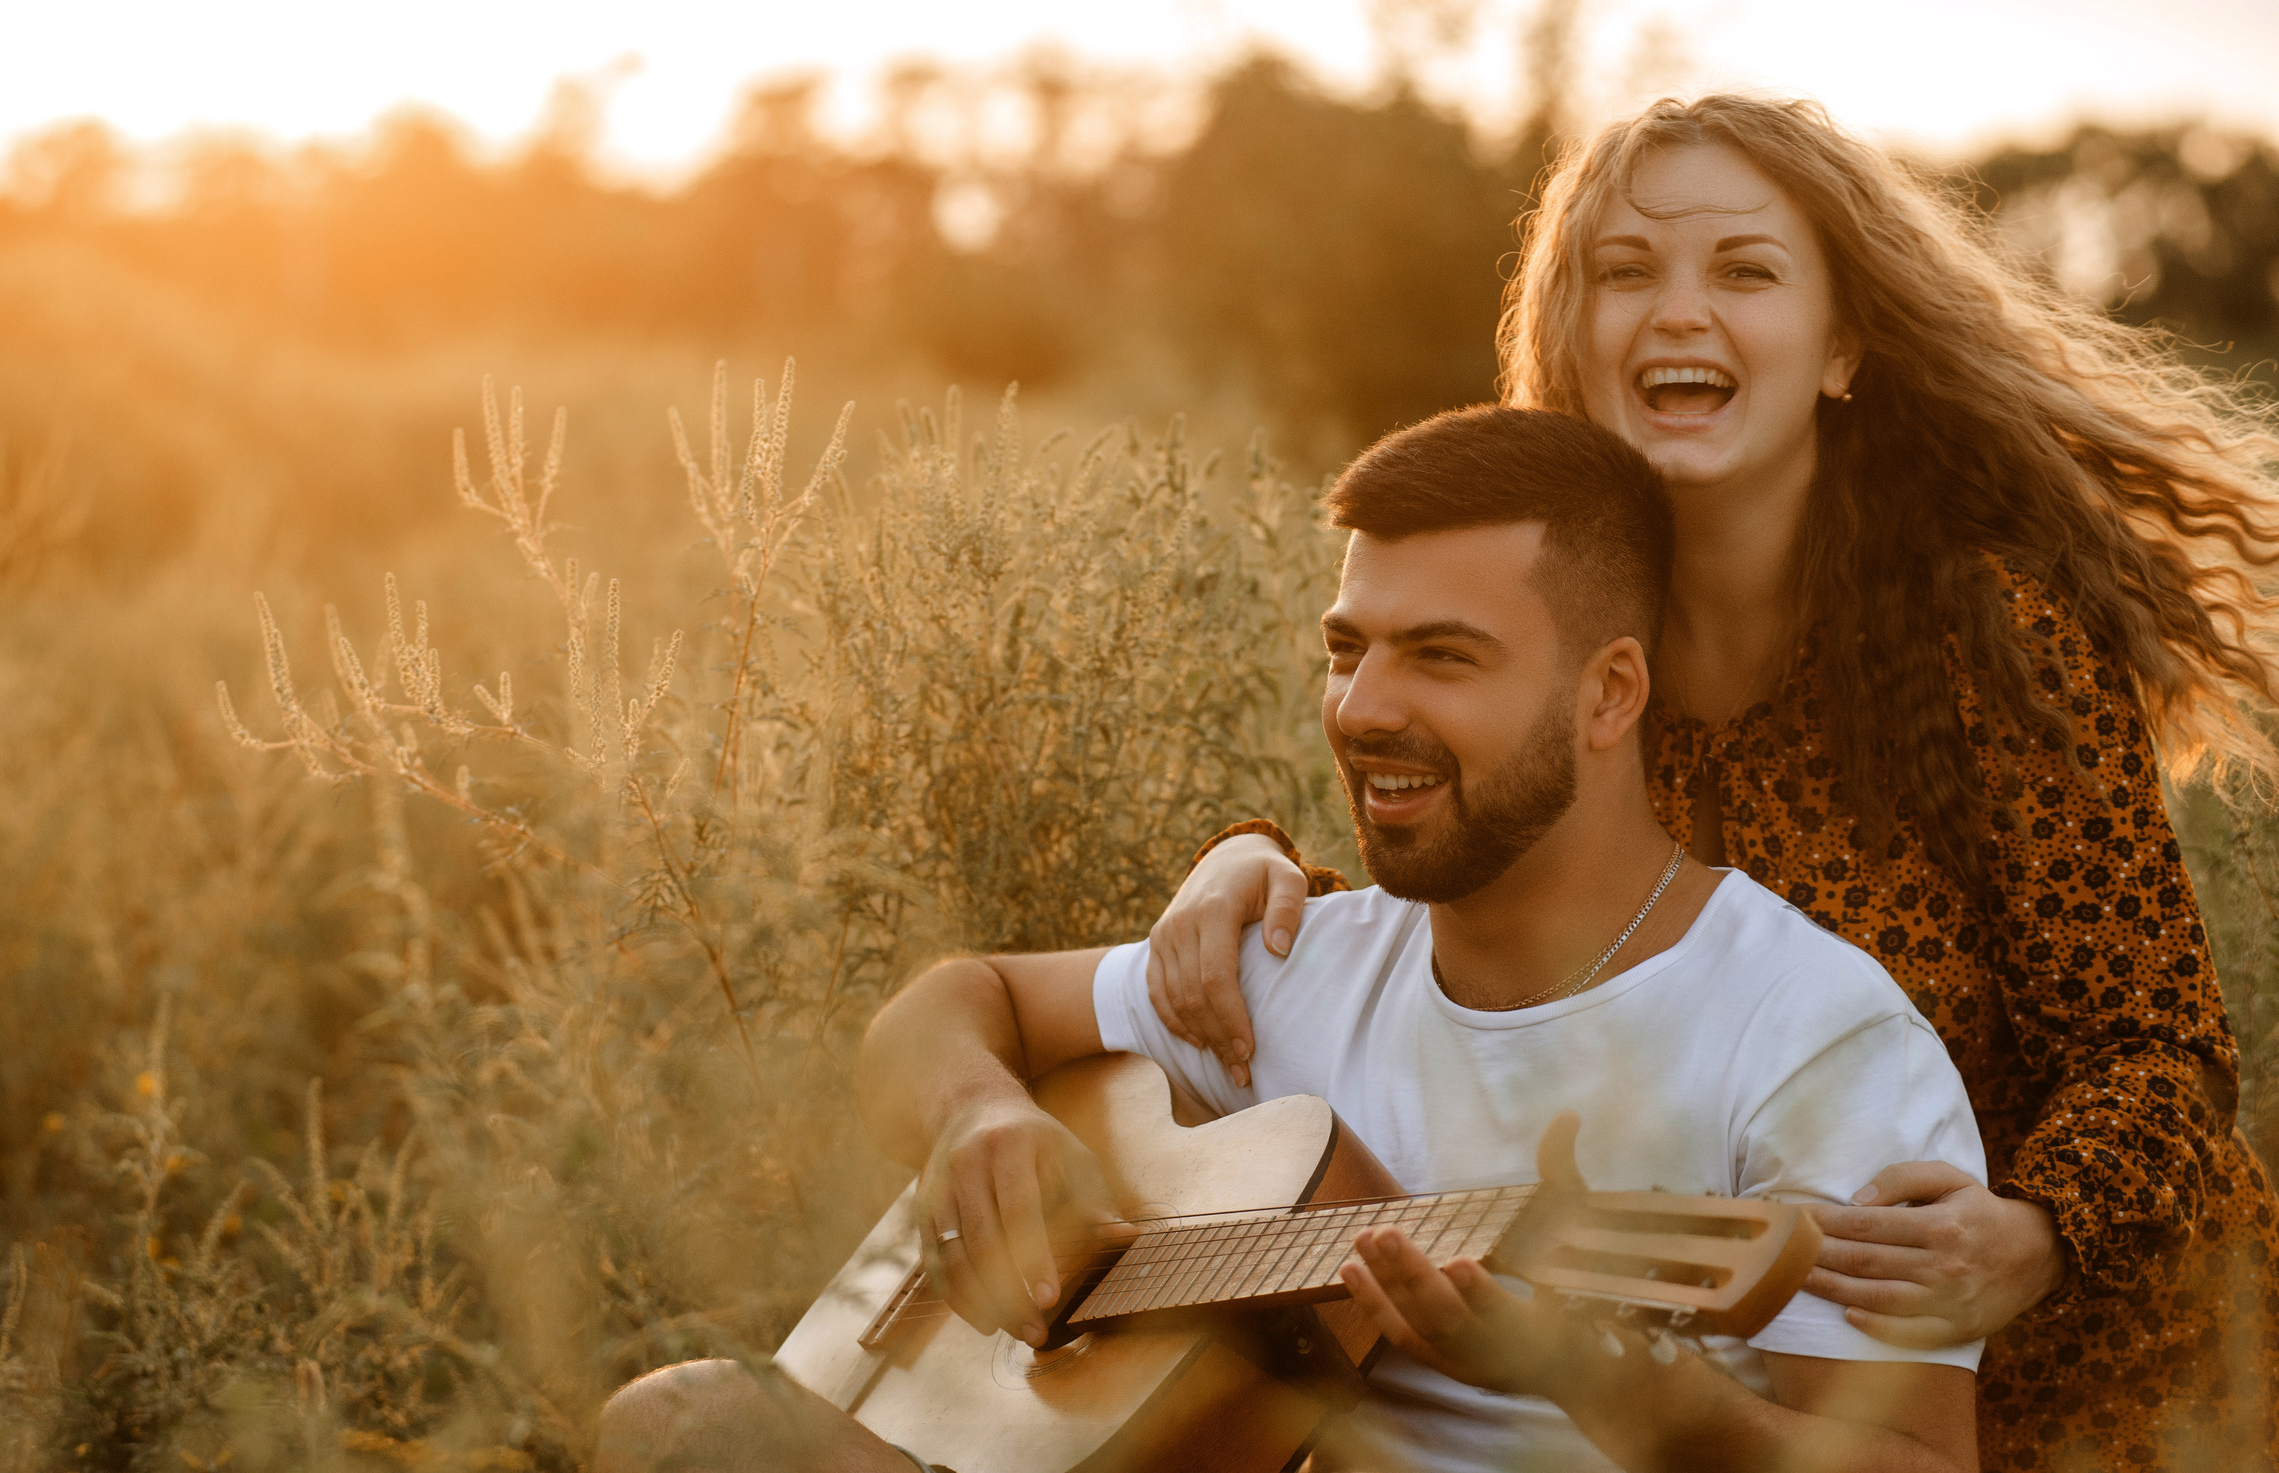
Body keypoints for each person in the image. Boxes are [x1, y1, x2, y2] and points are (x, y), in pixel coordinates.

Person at [1144, 94, 2279, 1471]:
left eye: (1744, 268)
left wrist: (2033, 1228)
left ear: (1843, 348)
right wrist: (1252, 866)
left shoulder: (1987, 635)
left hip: (2121, 1380)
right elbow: (1492, 919)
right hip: (1782, 1390)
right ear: (1574, 343)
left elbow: (2158, 1049)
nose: (1680, 307)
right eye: (1628, 271)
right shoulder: (1562, 640)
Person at [599, 407, 1986, 1473]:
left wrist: (1604, 1377)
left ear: (1610, 690)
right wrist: (974, 1118)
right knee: (675, 1422)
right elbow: (944, 1009)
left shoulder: (1814, 1035)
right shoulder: (1287, 959)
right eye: (1346, 647)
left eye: (1441, 655)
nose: (1363, 706)